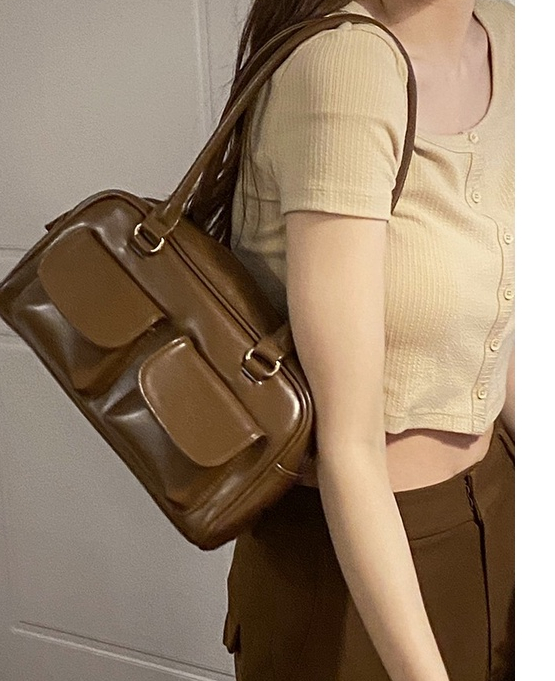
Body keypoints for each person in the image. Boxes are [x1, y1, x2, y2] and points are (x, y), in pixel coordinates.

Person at [188, 1, 515, 679]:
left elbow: (502, 319)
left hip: (500, 512)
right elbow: (348, 447)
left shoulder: (507, 36)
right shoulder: (347, 67)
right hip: (361, 570)